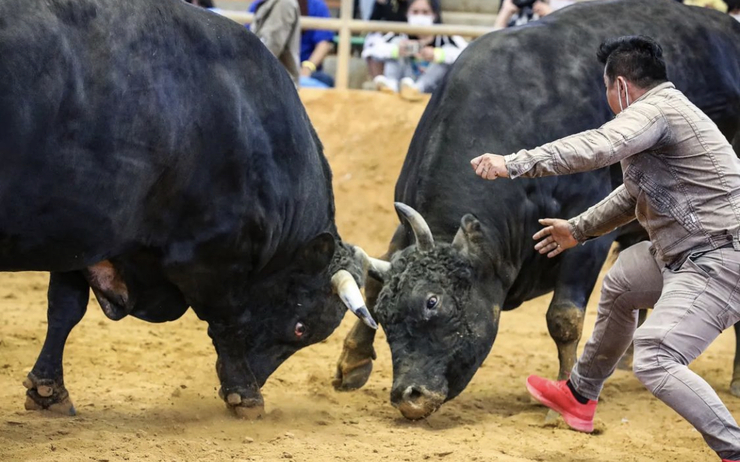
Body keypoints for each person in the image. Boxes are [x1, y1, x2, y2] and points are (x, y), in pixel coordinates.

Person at [470, 35, 740, 461]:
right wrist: (578, 229)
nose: (609, 101)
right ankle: (580, 395)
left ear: (621, 87)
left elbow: (599, 146)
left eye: (607, 90)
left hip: (721, 257)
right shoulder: (662, 116)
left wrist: (515, 163)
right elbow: (633, 196)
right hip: (683, 252)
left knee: (655, 355)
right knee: (620, 284)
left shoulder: (656, 110)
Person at [361, 0, 467, 100]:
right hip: (403, 82)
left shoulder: (445, 36)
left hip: (432, 90)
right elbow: (370, 50)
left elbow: (467, 54)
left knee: (447, 54)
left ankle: (417, 88)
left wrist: (438, 54)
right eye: (415, 12)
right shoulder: (400, 33)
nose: (420, 16)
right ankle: (391, 85)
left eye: (425, 12)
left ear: (434, 15)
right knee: (396, 43)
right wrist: (396, 50)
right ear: (407, 14)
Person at [251, 0, 335, 87]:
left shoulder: (288, 4)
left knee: (325, 80)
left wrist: (308, 67)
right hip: (269, 70)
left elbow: (324, 43)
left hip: (289, 73)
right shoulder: (260, 4)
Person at [248, 0, 301, 86]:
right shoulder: (266, 3)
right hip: (263, 81)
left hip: (277, 86)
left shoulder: (284, 4)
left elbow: (269, 49)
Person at [362, 0, 410, 79]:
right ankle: (379, 82)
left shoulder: (408, 4)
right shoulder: (381, 3)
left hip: (401, 39)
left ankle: (390, 82)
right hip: (383, 37)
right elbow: (372, 22)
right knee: (371, 49)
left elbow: (401, 21)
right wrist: (380, 4)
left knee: (395, 48)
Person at [493, 0, 571, 29]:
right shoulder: (512, 5)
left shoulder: (559, 4)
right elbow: (494, 37)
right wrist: (505, 12)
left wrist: (551, 13)